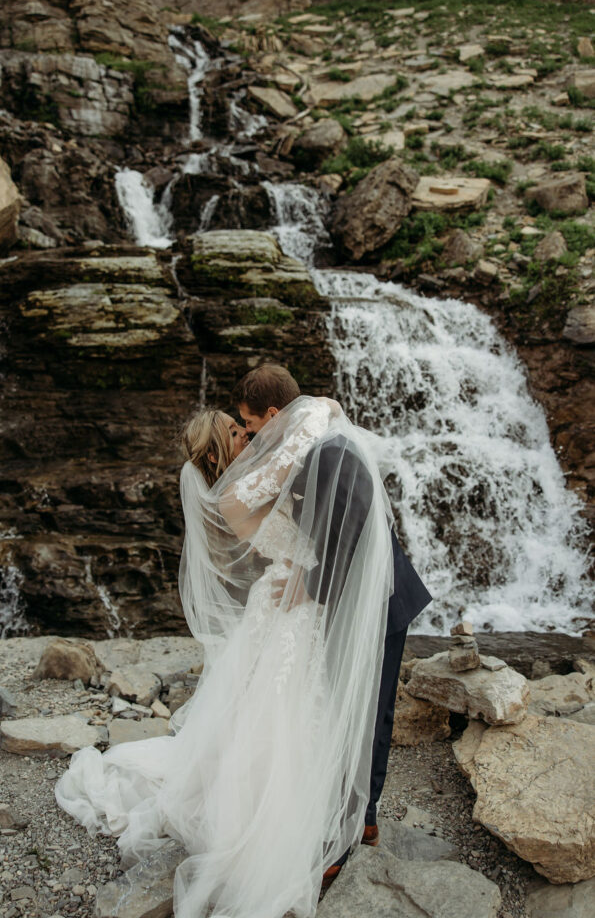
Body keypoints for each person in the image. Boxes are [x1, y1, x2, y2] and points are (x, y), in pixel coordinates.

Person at [55, 390, 402, 918]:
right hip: (294, 601)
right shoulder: (239, 491)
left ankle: (329, 808)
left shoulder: (243, 485)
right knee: (284, 712)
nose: (254, 435)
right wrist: (318, 406)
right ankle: (288, 819)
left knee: (287, 706)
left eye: (248, 428)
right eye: (240, 432)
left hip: (291, 596)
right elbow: (297, 448)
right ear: (220, 452)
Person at [233, 364, 432, 882]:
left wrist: (311, 582)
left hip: (377, 604)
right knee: (351, 710)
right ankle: (358, 820)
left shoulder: (329, 451)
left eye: (251, 426)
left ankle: (347, 836)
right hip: (351, 602)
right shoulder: (316, 439)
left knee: (367, 716)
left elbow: (356, 521)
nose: (250, 438)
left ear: (274, 415)